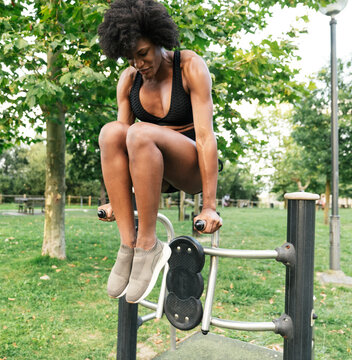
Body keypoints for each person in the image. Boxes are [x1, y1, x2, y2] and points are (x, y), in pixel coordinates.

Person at [97, 0, 222, 304]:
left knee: (139, 132)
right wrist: (113, 200)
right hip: (149, 169)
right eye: (130, 58)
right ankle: (129, 245)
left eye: (142, 54)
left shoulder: (189, 66)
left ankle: (148, 244)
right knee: (111, 131)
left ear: (159, 41)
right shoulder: (129, 80)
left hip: (189, 165)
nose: (138, 64)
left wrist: (208, 205)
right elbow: (118, 146)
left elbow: (206, 137)